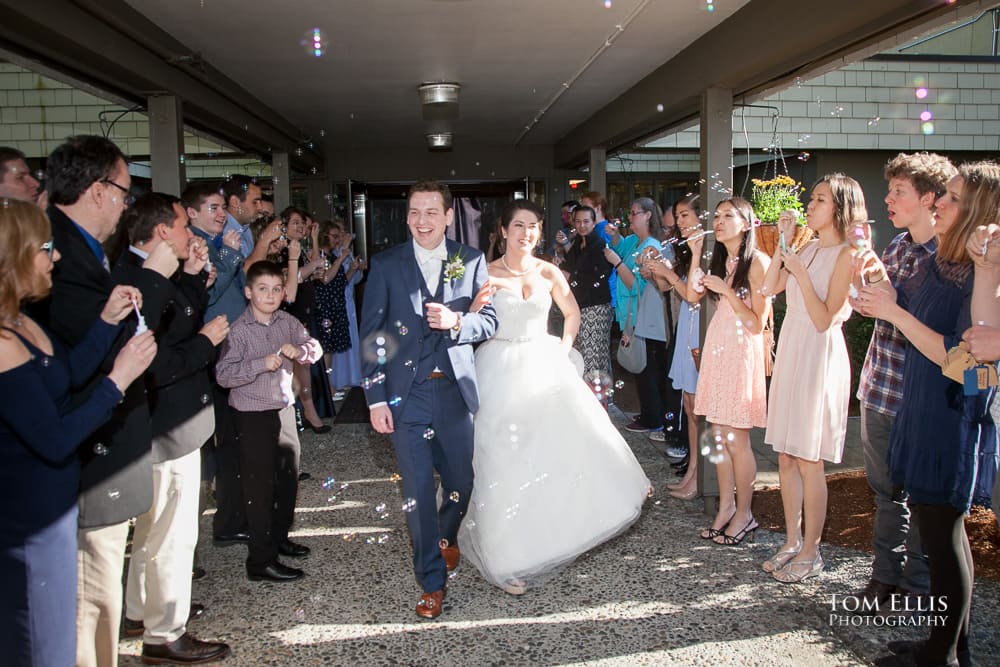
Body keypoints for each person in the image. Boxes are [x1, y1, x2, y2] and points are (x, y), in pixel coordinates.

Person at [34, 135, 178, 667]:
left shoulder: (88, 251)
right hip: (88, 444)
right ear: (98, 190)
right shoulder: (60, 256)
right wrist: (152, 280)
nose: (125, 204)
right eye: (123, 190)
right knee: (92, 589)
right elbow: (82, 357)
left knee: (101, 584)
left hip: (107, 433)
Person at [457, 199, 650, 594]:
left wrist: (563, 348)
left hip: (543, 361)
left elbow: (572, 312)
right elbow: (470, 324)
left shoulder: (548, 271)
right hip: (499, 366)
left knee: (552, 451)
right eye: (518, 226)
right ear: (503, 231)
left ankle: (554, 533)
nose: (526, 233)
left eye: (533, 226)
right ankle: (506, 558)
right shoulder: (485, 275)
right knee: (503, 460)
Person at [0, 199, 155, 667]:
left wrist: (107, 323)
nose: (57, 257)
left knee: (57, 636)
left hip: (55, 505)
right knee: (39, 642)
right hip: (29, 519)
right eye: (46, 248)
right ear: (13, 257)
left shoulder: (24, 321)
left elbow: (65, 381)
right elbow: (54, 437)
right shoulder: (3, 343)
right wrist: (118, 381)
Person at [855, 162, 999, 667]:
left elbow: (960, 358)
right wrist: (884, 294)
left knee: (943, 537)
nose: (940, 203)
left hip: (950, 416)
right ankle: (951, 645)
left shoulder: (982, 275)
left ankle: (939, 655)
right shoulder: (947, 262)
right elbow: (907, 306)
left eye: (952, 199)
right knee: (942, 536)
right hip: (919, 407)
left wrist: (894, 310)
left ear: (978, 210)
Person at [359, 180, 498, 619]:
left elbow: (489, 322)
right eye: (415, 212)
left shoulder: (470, 260)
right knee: (417, 492)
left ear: (448, 215)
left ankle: (447, 533)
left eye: (432, 212)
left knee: (461, 483)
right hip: (406, 397)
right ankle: (432, 583)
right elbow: (373, 338)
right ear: (406, 216)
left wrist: (459, 321)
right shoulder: (385, 265)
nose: (423, 221)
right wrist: (375, 399)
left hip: (454, 392)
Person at [116, 193, 231, 664]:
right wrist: (207, 344)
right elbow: (156, 361)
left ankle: (140, 610)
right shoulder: (135, 279)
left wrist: (191, 280)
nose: (191, 234)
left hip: (162, 421)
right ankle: (166, 633)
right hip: (165, 421)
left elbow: (177, 319)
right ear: (162, 230)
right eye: (185, 225)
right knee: (172, 533)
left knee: (150, 529)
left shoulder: (143, 270)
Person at [852, 152, 955, 611]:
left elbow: (938, 333)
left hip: (923, 396)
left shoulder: (951, 260)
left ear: (930, 198)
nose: (889, 199)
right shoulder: (894, 248)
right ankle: (883, 578)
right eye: (890, 189)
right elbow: (873, 310)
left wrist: (892, 303)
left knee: (923, 497)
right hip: (880, 387)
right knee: (885, 492)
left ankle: (917, 586)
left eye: (900, 192)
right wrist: (862, 292)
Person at [761, 174, 861, 582]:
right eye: (812, 199)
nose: (810, 206)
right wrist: (784, 244)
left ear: (839, 208)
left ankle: (812, 550)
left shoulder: (847, 255)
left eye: (819, 200)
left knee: (808, 457)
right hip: (792, 349)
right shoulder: (811, 246)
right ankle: (790, 540)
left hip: (819, 354)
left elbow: (825, 319)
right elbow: (769, 287)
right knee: (786, 455)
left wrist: (800, 272)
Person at [215, 260, 321, 582]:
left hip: (284, 410)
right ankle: (260, 561)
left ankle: (279, 538)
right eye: (263, 289)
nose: (271, 295)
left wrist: (301, 350)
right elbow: (223, 375)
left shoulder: (287, 321)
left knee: (288, 478)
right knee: (259, 488)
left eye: (277, 289)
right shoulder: (238, 331)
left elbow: (314, 349)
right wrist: (260, 364)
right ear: (248, 292)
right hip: (251, 416)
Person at [691, 197, 770, 546]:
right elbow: (693, 296)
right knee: (720, 438)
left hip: (741, 354)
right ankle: (725, 508)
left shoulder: (758, 263)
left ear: (747, 222)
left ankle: (745, 513)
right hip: (720, 351)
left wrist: (727, 292)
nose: (719, 221)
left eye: (728, 216)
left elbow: (757, 324)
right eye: (717, 216)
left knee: (737, 440)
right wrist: (695, 254)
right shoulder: (724, 261)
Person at [645, 193, 704, 498]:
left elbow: (692, 294)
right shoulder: (685, 248)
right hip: (686, 328)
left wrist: (666, 273)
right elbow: (670, 288)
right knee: (689, 404)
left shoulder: (707, 251)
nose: (679, 223)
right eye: (678, 217)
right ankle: (692, 470)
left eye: (684, 216)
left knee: (697, 405)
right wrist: (657, 271)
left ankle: (698, 475)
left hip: (699, 327)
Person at [604, 198, 667, 434]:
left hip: (643, 315)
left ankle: (653, 417)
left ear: (648, 215)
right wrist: (614, 234)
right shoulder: (634, 241)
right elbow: (618, 246)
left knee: (647, 366)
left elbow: (636, 286)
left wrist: (618, 263)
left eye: (634, 213)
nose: (630, 217)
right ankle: (649, 412)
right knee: (640, 366)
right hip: (629, 314)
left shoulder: (652, 246)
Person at [561, 204, 614, 378]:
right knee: (579, 357)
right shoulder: (577, 243)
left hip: (596, 308)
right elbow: (568, 268)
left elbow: (597, 277)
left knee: (594, 359)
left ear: (593, 222)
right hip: (578, 306)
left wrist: (571, 277)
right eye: (578, 221)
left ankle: (600, 402)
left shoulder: (599, 244)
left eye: (586, 221)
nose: (582, 225)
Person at [315, 218, 364, 396]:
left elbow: (342, 280)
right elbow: (326, 278)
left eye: (339, 235)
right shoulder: (321, 256)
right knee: (328, 347)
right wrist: (342, 258)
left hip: (337, 303)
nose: (338, 239)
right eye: (335, 236)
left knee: (334, 346)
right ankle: (330, 386)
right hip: (326, 305)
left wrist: (353, 268)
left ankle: (333, 385)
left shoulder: (333, 256)